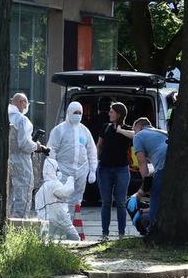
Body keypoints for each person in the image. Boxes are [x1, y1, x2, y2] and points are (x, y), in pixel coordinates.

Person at [46, 101, 97, 218]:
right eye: (75, 112)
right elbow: (51, 150)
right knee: (62, 198)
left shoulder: (84, 131)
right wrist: (54, 169)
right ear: (69, 112)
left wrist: (92, 170)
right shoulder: (59, 130)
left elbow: (91, 150)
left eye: (80, 113)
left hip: (81, 170)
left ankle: (74, 224)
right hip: (63, 169)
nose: (77, 115)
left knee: (77, 199)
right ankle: (61, 224)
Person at [95, 101, 133, 239]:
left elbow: (136, 136)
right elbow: (99, 145)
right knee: (106, 202)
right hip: (104, 168)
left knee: (121, 202)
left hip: (121, 169)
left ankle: (121, 234)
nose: (109, 113)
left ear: (119, 114)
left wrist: (121, 130)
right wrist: (98, 159)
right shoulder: (105, 127)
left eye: (112, 111)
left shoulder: (128, 129)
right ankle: (105, 233)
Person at [132, 117, 168, 232]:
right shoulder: (162, 132)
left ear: (139, 127)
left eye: (134, 130)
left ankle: (154, 231)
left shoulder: (139, 136)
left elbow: (142, 163)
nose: (134, 133)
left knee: (155, 198)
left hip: (163, 164)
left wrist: (146, 185)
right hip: (177, 164)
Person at [34, 152, 79, 241]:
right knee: (74, 237)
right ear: (54, 170)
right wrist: (70, 180)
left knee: (48, 239)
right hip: (59, 217)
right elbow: (65, 192)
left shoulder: (41, 188)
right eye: (57, 170)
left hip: (45, 220)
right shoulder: (54, 184)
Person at [7, 93, 36, 218]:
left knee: (8, 195)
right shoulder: (22, 120)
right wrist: (37, 146)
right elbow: (24, 143)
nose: (26, 106)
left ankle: (5, 224)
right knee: (23, 193)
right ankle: (19, 226)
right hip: (21, 161)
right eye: (26, 103)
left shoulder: (6, 116)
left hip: (7, 160)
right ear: (21, 102)